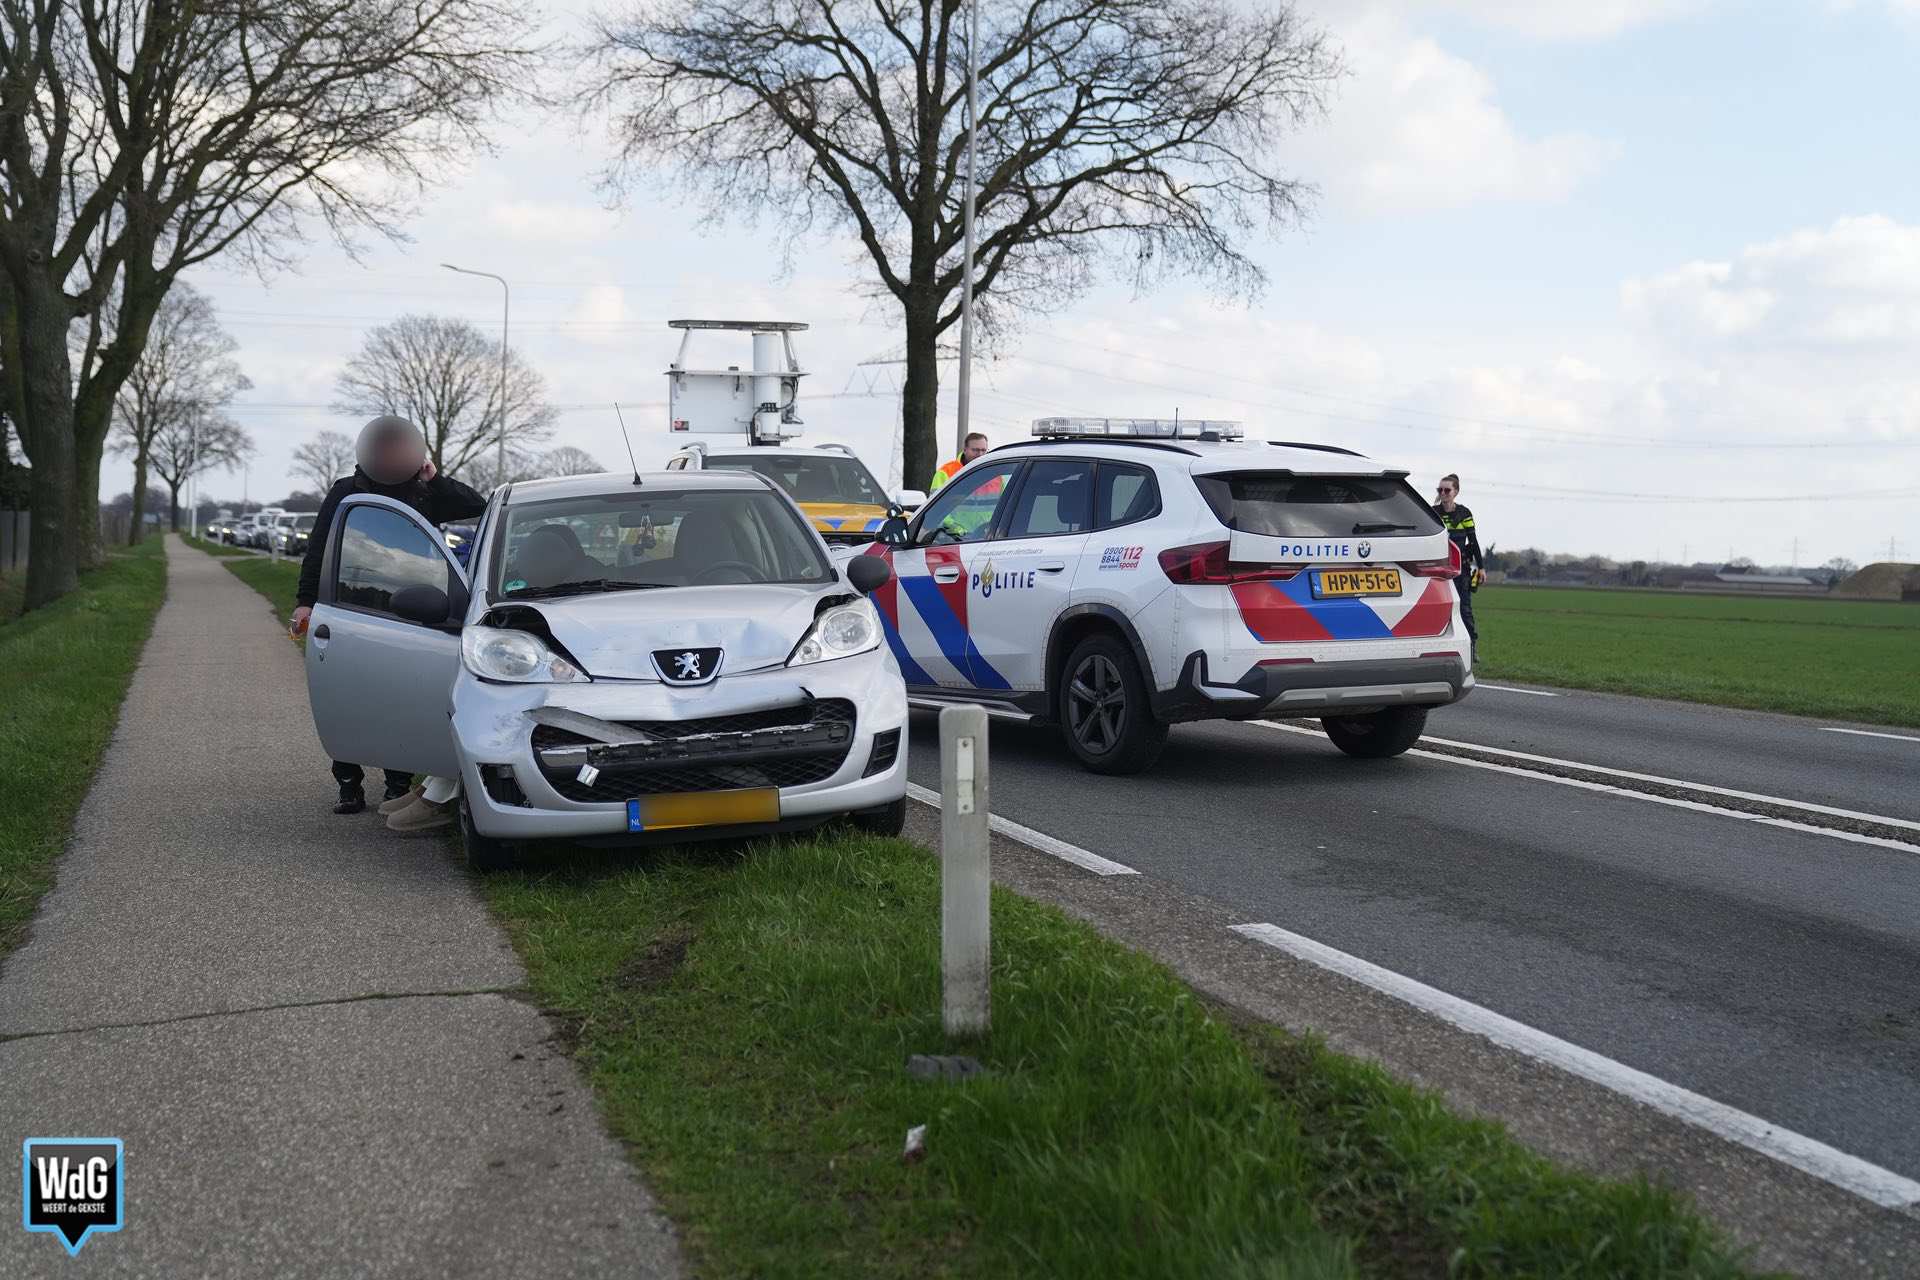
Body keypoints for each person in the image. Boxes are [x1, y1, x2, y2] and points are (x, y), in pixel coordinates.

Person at [290, 415, 487, 822]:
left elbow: (477, 506)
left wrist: (435, 479)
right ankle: (349, 785)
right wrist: (305, 601)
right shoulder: (346, 492)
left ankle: (398, 783)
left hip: (412, 608)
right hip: (351, 601)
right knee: (347, 696)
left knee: (396, 697)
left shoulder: (425, 492)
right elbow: (320, 549)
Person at [1433, 473, 1483, 655]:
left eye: (1447, 490)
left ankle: (1471, 647)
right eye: (1440, 490)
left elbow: (1473, 541)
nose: (1444, 493)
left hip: (1461, 569)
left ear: (1456, 492)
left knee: (1464, 608)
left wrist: (1482, 567)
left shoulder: (1464, 514)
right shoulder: (1433, 513)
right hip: (1439, 570)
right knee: (1438, 608)